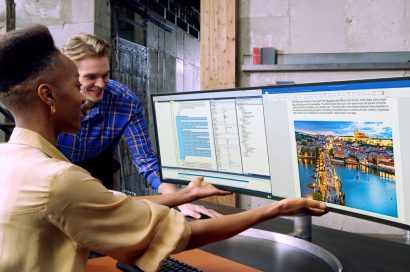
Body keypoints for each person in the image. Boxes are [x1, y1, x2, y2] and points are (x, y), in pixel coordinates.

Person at [0, 25, 328, 272]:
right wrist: (275, 209)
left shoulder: (9, 159)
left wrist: (185, 195)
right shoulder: (59, 180)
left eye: (106, 76)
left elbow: (110, 197)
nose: (89, 96)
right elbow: (181, 235)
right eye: (78, 84)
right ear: (48, 96)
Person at [57, 33, 218, 219]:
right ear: (70, 76)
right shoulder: (51, 101)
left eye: (105, 75)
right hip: (53, 176)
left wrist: (180, 200)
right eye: (91, 77)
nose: (101, 84)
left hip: (97, 178)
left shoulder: (125, 101)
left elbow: (145, 159)